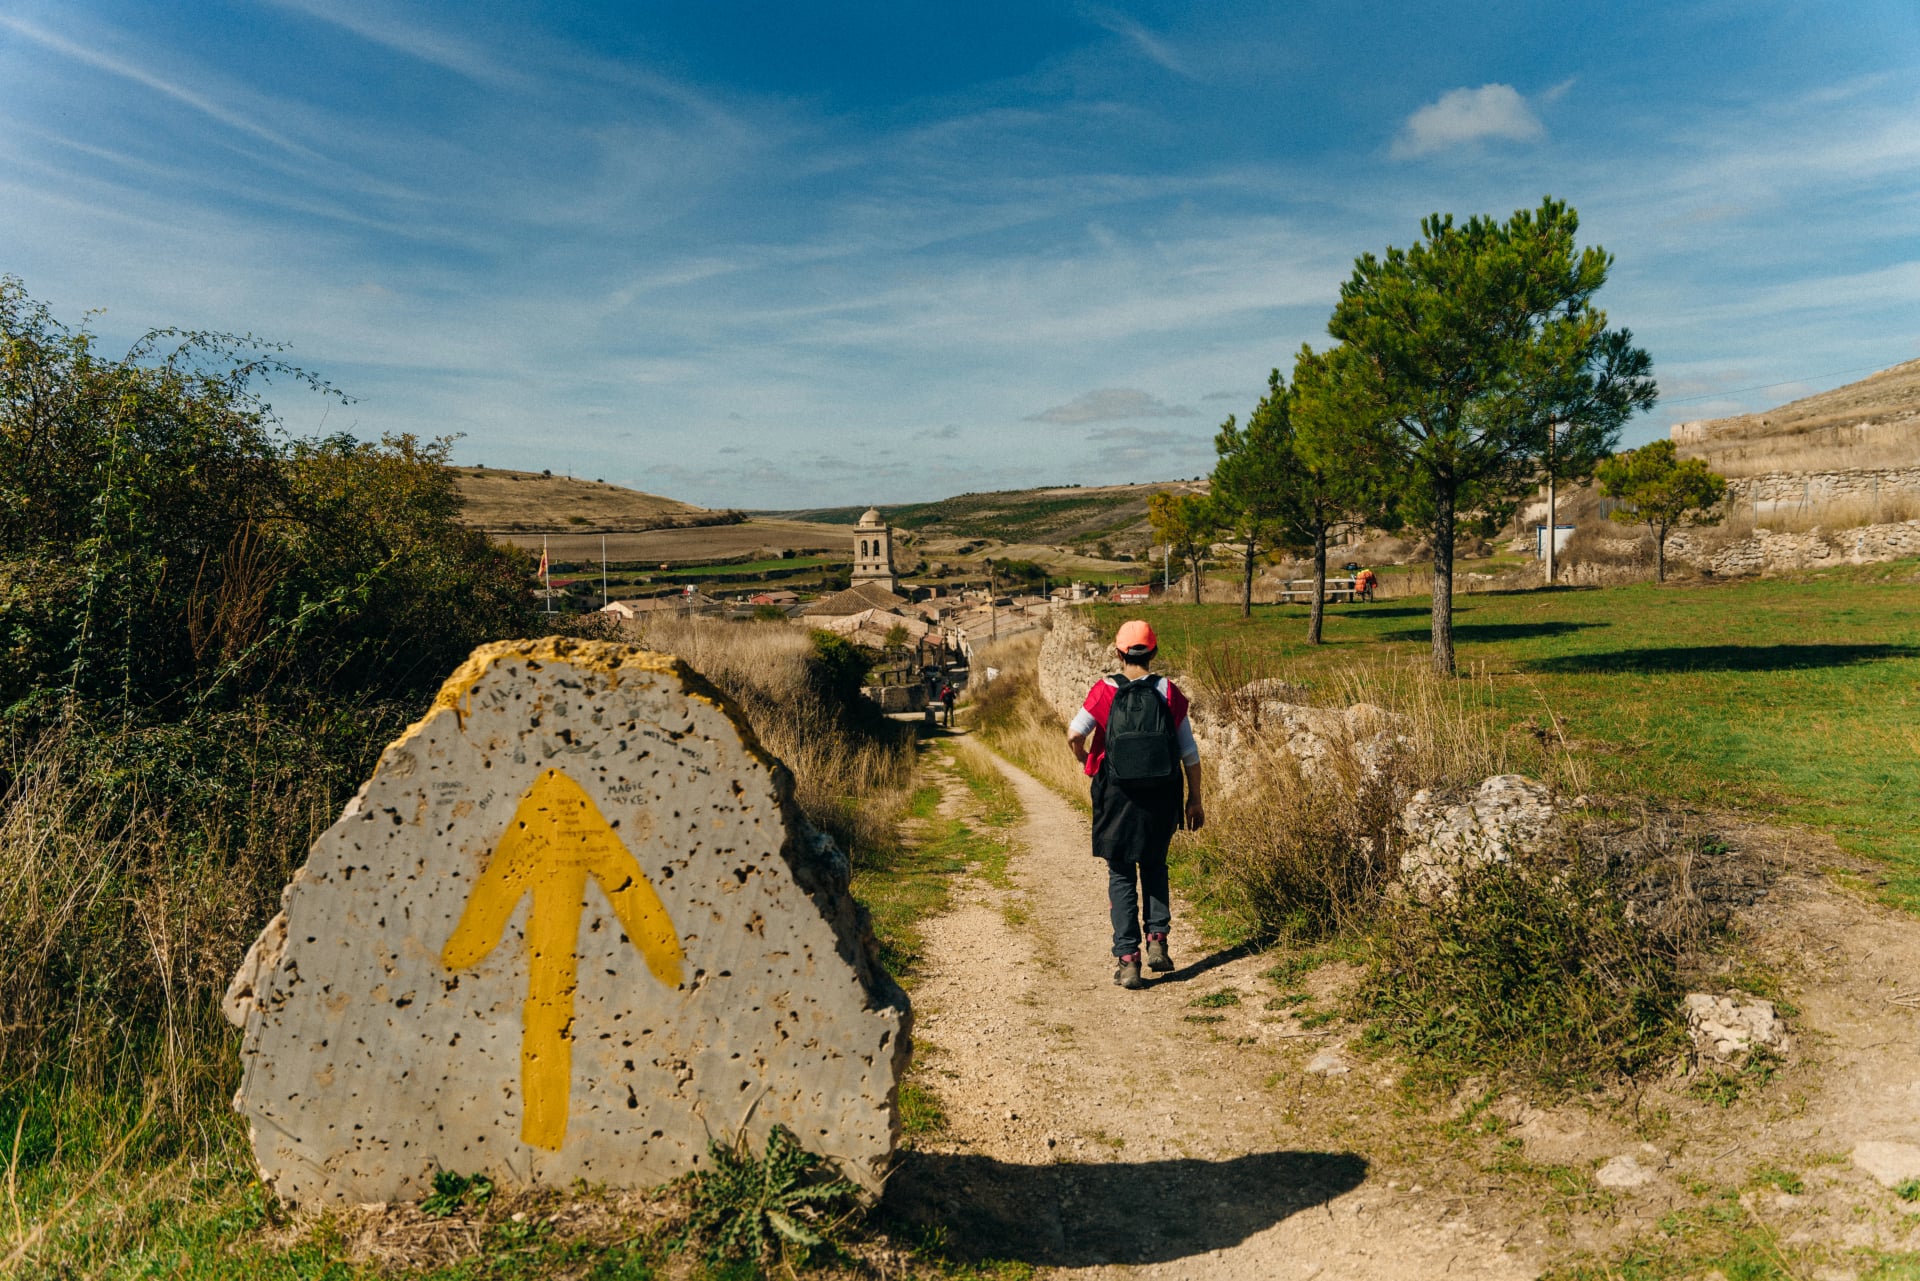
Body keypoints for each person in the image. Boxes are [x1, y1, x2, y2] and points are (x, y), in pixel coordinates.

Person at [1065, 619, 1203, 990]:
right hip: (1162, 794)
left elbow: (1074, 733)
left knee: (1122, 874)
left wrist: (1084, 760)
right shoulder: (1168, 692)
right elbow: (1189, 753)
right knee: (1155, 864)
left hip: (1117, 796)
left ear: (1119, 653)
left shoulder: (1105, 690)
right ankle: (1157, 941)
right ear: (1154, 652)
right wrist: (1195, 799)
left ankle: (1128, 961)